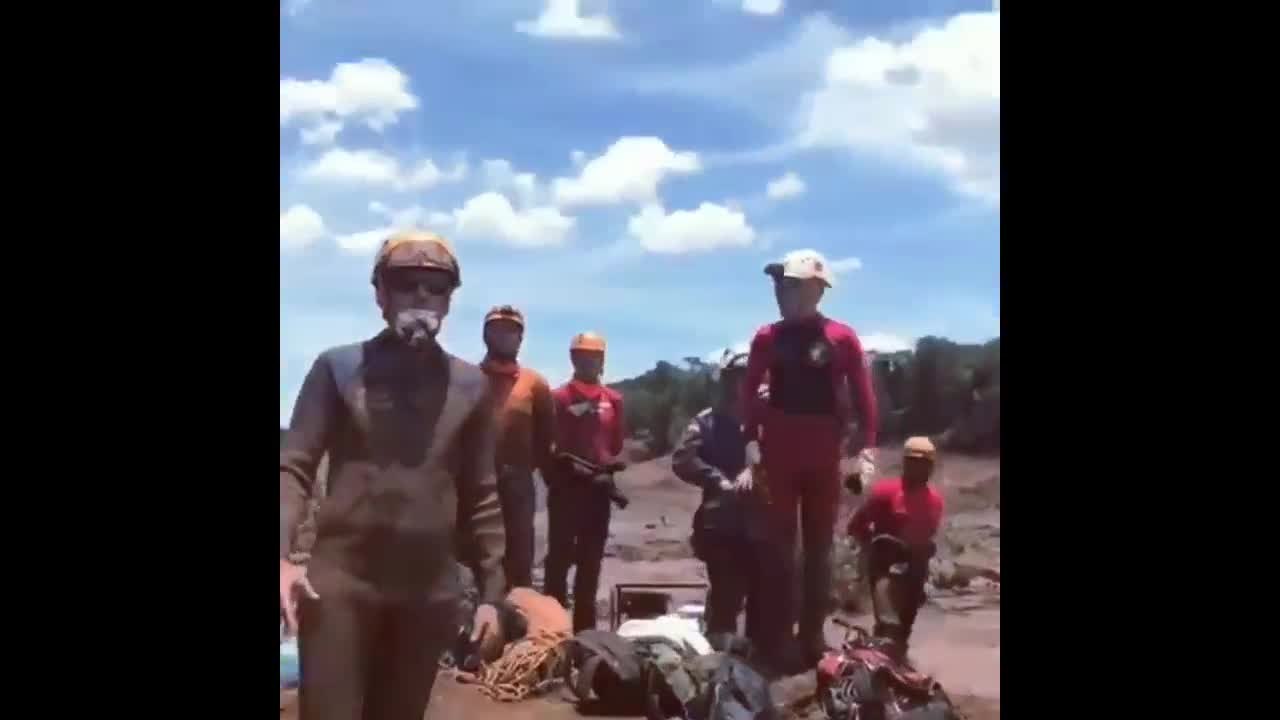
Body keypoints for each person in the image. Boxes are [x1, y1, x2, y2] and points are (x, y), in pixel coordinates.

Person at [279, 230, 507, 720]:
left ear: (449, 299)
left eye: (436, 287)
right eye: (405, 284)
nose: (421, 297)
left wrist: (491, 594)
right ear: (380, 293)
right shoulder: (337, 369)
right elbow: (293, 468)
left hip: (427, 593)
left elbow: (482, 495)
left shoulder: (470, 386)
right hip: (340, 587)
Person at [737, 248, 880, 668]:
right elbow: (748, 392)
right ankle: (776, 640)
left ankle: (812, 640)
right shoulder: (767, 336)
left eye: (791, 284)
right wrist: (751, 442)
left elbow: (864, 396)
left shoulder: (842, 338)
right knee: (779, 549)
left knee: (819, 550)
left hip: (823, 455)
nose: (782, 292)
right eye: (779, 285)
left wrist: (868, 448)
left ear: (817, 288)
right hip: (779, 455)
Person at [672, 349, 768, 644]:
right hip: (722, 522)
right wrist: (717, 480)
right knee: (726, 594)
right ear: (726, 381)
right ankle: (717, 657)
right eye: (736, 377)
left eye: (746, 377)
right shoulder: (706, 422)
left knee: (767, 599)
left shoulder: (771, 420)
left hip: (768, 519)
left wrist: (759, 472)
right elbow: (682, 458)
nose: (741, 384)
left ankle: (760, 658)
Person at [544, 331, 626, 632]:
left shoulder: (613, 400)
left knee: (590, 564)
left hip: (598, 491)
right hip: (567, 489)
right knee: (559, 561)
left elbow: (615, 444)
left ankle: (585, 633)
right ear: (573, 359)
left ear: (602, 361)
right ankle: (551, 630)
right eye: (582, 356)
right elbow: (548, 442)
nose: (588, 362)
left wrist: (605, 466)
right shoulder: (558, 398)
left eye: (594, 357)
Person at [846, 437, 944, 659]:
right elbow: (855, 525)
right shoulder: (885, 492)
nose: (918, 467)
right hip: (883, 561)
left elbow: (928, 534)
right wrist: (868, 542)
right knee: (888, 622)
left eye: (923, 463)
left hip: (914, 566)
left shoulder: (935, 501)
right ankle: (882, 644)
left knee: (904, 625)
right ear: (905, 463)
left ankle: (898, 653)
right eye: (913, 462)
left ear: (931, 466)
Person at [480, 304, 555, 589]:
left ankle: (518, 617)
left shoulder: (535, 384)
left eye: (511, 331)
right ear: (485, 335)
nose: (504, 337)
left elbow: (546, 434)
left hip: (518, 480)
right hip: (477, 479)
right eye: (497, 330)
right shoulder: (469, 378)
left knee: (519, 552)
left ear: (521, 339)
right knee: (478, 548)